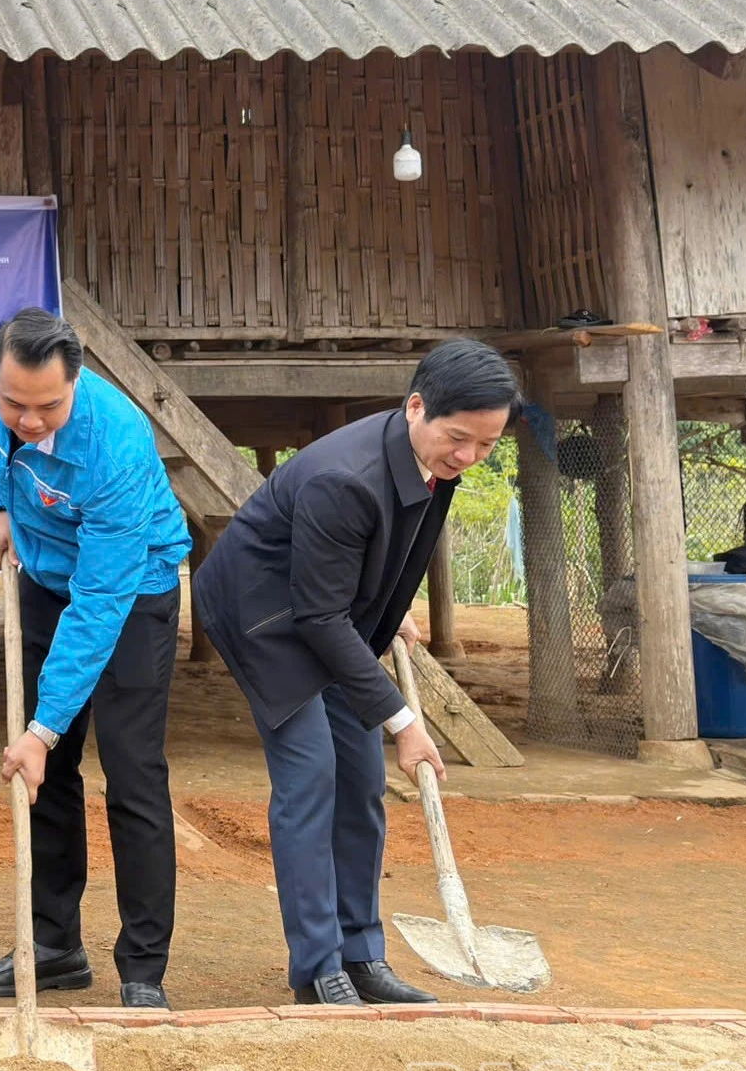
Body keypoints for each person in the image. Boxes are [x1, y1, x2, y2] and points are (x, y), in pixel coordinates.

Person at [192, 338, 520, 1006]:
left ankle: (362, 953)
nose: (468, 458)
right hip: (266, 617)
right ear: (417, 406)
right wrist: (404, 721)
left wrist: (390, 609)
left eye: (486, 447)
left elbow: (397, 548)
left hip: (328, 610)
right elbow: (314, 619)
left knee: (361, 782)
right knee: (311, 775)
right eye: (459, 440)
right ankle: (318, 969)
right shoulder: (343, 478)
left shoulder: (438, 460)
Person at [0, 307, 192, 1011]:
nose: (27, 421)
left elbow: (99, 604)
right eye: (14, 405)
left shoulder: (117, 442)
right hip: (43, 577)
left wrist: (42, 725)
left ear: (79, 381)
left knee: (132, 770)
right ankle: (54, 945)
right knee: (48, 772)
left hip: (130, 589)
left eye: (47, 407)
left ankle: (143, 967)